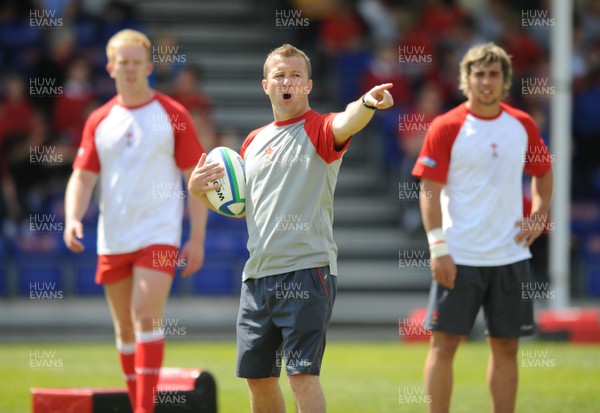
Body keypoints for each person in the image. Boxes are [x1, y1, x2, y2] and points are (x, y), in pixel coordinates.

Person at [188, 43, 393, 413]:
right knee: (259, 378)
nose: (287, 81)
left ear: (308, 85)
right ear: (266, 85)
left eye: (296, 75)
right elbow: (241, 209)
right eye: (280, 75)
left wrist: (367, 103)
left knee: (301, 376)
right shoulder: (251, 142)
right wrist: (198, 192)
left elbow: (347, 120)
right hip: (258, 276)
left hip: (306, 270)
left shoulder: (319, 128)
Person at [63, 29, 207, 413]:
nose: (129, 68)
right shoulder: (99, 119)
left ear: (150, 66)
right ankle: (136, 402)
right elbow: (82, 175)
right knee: (124, 328)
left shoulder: (173, 114)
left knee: (145, 313)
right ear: (110, 67)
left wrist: (197, 238)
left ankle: (144, 409)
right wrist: (73, 218)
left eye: (136, 62)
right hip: (114, 238)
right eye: (121, 62)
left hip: (159, 235)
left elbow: (196, 177)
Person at [412, 42, 553, 413]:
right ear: (466, 79)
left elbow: (543, 171)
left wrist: (540, 213)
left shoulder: (522, 124)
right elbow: (428, 190)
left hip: (510, 254)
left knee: (507, 346)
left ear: (505, 80)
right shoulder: (447, 126)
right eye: (479, 74)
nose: (486, 81)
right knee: (444, 346)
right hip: (458, 255)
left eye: (494, 74)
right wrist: (438, 247)